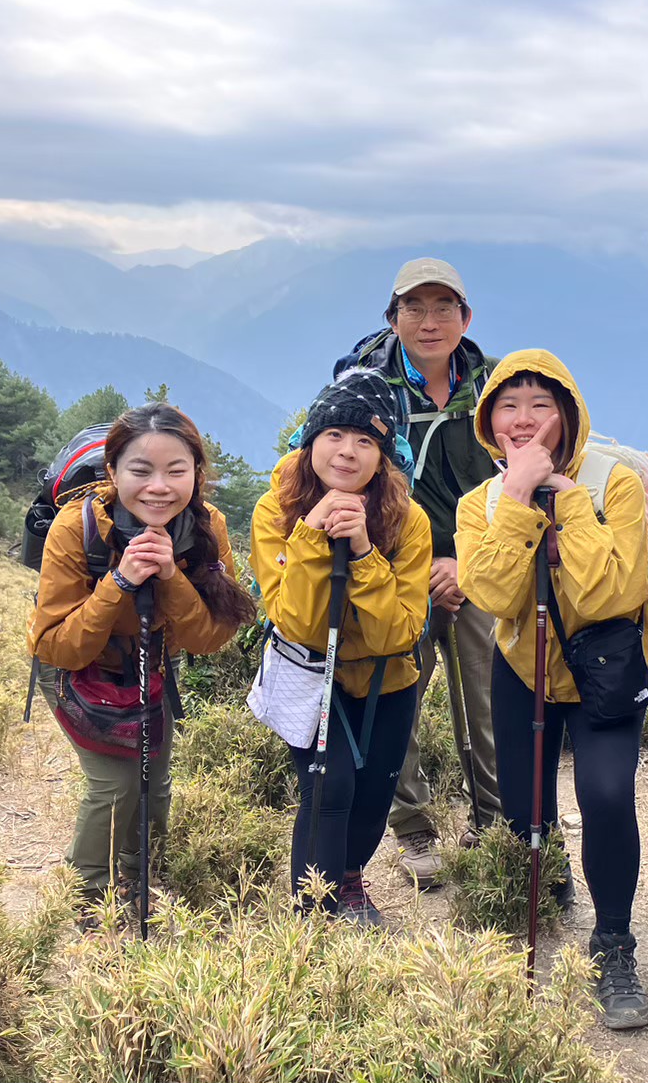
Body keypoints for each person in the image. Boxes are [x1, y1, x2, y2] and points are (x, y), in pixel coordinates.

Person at [455, 349, 648, 1031]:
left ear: (567, 413)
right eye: (507, 405)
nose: (523, 419)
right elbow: (496, 594)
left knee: (604, 794)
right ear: (488, 420)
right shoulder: (479, 501)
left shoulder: (613, 484)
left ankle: (613, 942)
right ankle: (550, 884)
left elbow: (610, 592)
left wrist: (566, 502)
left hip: (604, 671)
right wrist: (516, 501)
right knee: (524, 811)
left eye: (540, 404)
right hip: (523, 665)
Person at [29, 403, 257, 919]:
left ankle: (137, 873)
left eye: (177, 471)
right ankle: (90, 898)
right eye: (140, 470)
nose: (159, 486)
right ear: (112, 473)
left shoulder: (205, 527)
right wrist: (121, 583)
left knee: (153, 780)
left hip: (151, 666)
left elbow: (207, 638)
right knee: (117, 782)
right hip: (75, 668)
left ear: (198, 475)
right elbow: (56, 644)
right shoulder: (76, 527)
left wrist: (171, 579)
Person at [334, 257, 502, 887]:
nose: (429, 323)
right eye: (414, 308)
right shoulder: (363, 386)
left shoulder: (492, 387)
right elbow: (337, 466)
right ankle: (413, 831)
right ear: (393, 315)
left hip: (478, 566)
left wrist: (470, 562)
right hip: (391, 563)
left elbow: (512, 480)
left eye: (443, 308)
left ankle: (493, 822)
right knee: (395, 695)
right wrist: (419, 561)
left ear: (465, 317)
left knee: (486, 699)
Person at [251, 368, 432, 924]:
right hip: (310, 675)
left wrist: (362, 554)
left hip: (387, 682)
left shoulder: (408, 520)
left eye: (365, 441)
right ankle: (315, 907)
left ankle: (349, 876)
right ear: (309, 443)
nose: (347, 452)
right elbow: (296, 622)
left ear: (385, 455)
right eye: (333, 435)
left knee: (374, 799)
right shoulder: (276, 510)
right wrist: (309, 536)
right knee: (329, 787)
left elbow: (399, 631)